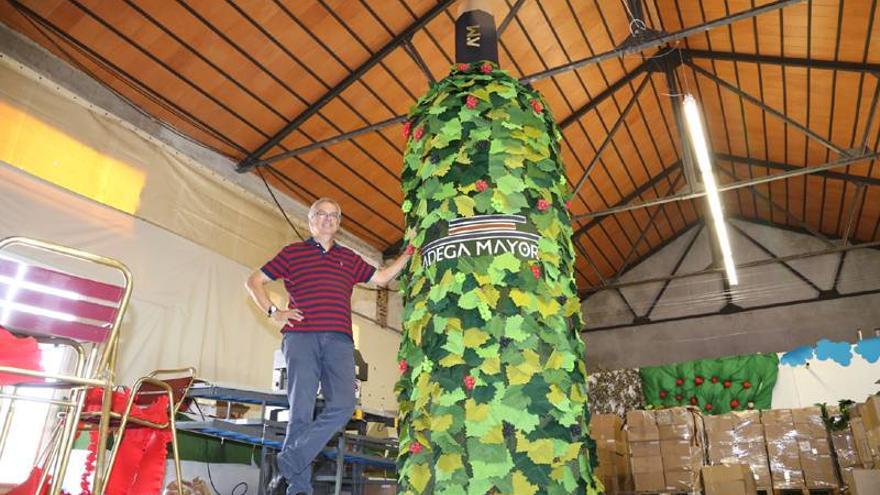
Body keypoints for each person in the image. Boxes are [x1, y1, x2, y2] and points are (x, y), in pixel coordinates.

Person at [246, 197, 411, 495]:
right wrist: (274, 311)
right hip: (302, 337)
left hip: (339, 341)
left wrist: (409, 251)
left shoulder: (348, 258)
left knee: (344, 405)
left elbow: (383, 277)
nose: (327, 219)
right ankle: (299, 488)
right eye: (321, 214)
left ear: (339, 223)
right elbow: (254, 281)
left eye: (334, 215)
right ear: (310, 221)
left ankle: (289, 460)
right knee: (301, 412)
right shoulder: (293, 253)